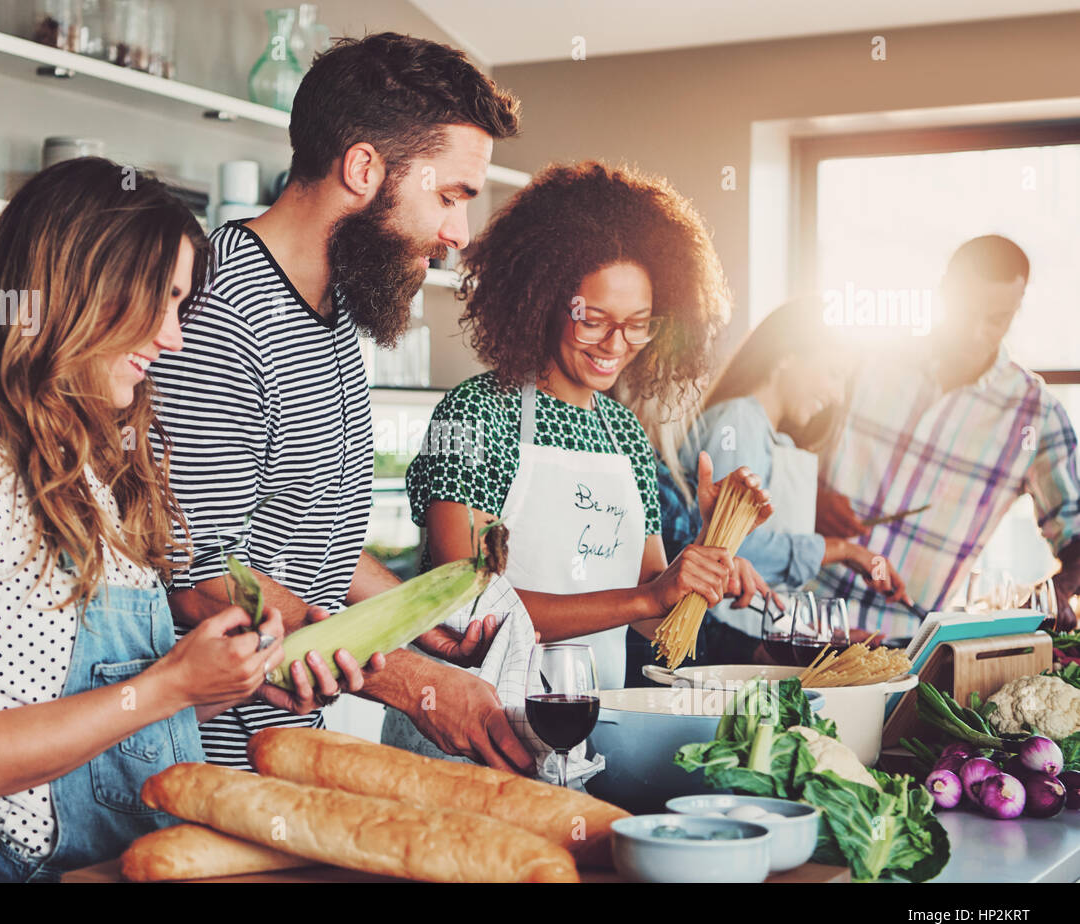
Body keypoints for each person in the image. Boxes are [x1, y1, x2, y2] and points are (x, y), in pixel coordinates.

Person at [0, 159, 288, 882]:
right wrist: (169, 686)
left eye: (179, 306)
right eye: (154, 303)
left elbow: (102, 720)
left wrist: (225, 682)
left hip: (130, 864)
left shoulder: (94, 462)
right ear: (73, 287)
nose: (172, 337)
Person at [148, 33, 535, 773]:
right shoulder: (221, 315)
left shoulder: (328, 312)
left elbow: (298, 528)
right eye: (450, 195)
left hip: (279, 756)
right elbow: (201, 574)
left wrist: (419, 616)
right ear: (363, 168)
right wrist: (415, 684)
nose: (458, 234)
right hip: (196, 770)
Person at [406, 161, 774, 691]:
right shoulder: (475, 415)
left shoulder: (624, 434)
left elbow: (650, 617)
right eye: (593, 319)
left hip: (581, 731)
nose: (615, 345)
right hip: (462, 730)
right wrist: (647, 596)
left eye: (637, 324)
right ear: (541, 301)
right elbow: (465, 603)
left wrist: (706, 556)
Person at [814, 235, 1080, 637]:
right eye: (966, 311)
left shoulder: (1036, 414)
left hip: (906, 644)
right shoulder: (867, 362)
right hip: (798, 615)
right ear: (944, 291)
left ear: (1016, 310)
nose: (975, 333)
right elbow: (783, 451)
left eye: (995, 319)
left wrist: (1055, 592)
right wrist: (809, 495)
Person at [677, 298, 909, 653]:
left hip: (751, 634)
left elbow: (761, 577)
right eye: (834, 373)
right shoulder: (738, 422)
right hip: (718, 639)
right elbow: (727, 553)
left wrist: (812, 629)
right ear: (786, 356)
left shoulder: (769, 435)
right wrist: (845, 550)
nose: (837, 395)